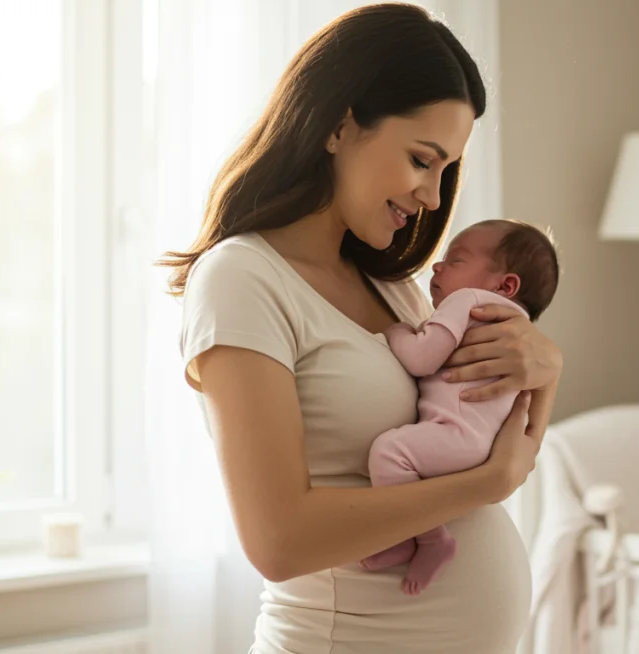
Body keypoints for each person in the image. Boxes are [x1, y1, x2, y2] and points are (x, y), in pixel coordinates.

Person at [159, 4, 563, 653]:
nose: (434, 196)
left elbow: (476, 424)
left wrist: (544, 367)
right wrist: (485, 488)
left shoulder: (397, 289)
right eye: (421, 160)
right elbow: (279, 541)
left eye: (446, 170)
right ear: (340, 126)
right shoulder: (242, 279)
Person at [361, 219, 560, 597]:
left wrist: (397, 332)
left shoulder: (469, 302)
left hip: (458, 437)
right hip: (481, 446)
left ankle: (426, 538)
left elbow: (421, 359)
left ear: (505, 285)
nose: (437, 266)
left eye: (455, 260)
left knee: (390, 451)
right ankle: (420, 537)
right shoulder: (520, 330)